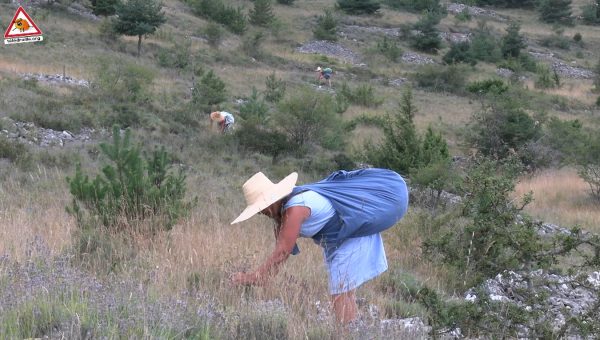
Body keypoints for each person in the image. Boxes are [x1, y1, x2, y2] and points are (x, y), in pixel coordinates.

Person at [229, 169, 409, 325]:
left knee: (340, 294)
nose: (261, 212)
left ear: (273, 199)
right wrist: (261, 276)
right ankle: (351, 331)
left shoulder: (296, 207)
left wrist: (255, 277)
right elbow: (280, 251)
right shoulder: (285, 210)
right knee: (343, 293)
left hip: (351, 238)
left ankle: (345, 334)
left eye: (262, 207)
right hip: (339, 242)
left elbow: (282, 251)